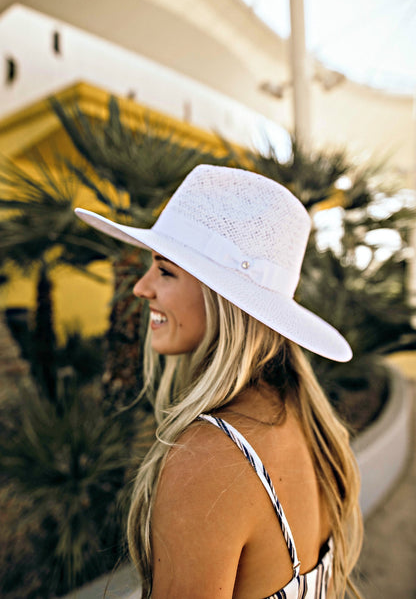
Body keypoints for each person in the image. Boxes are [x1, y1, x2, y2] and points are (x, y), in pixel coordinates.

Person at [75, 164, 362, 598]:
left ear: (221, 297)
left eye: (165, 271)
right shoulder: (304, 419)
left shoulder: (208, 459)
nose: (141, 288)